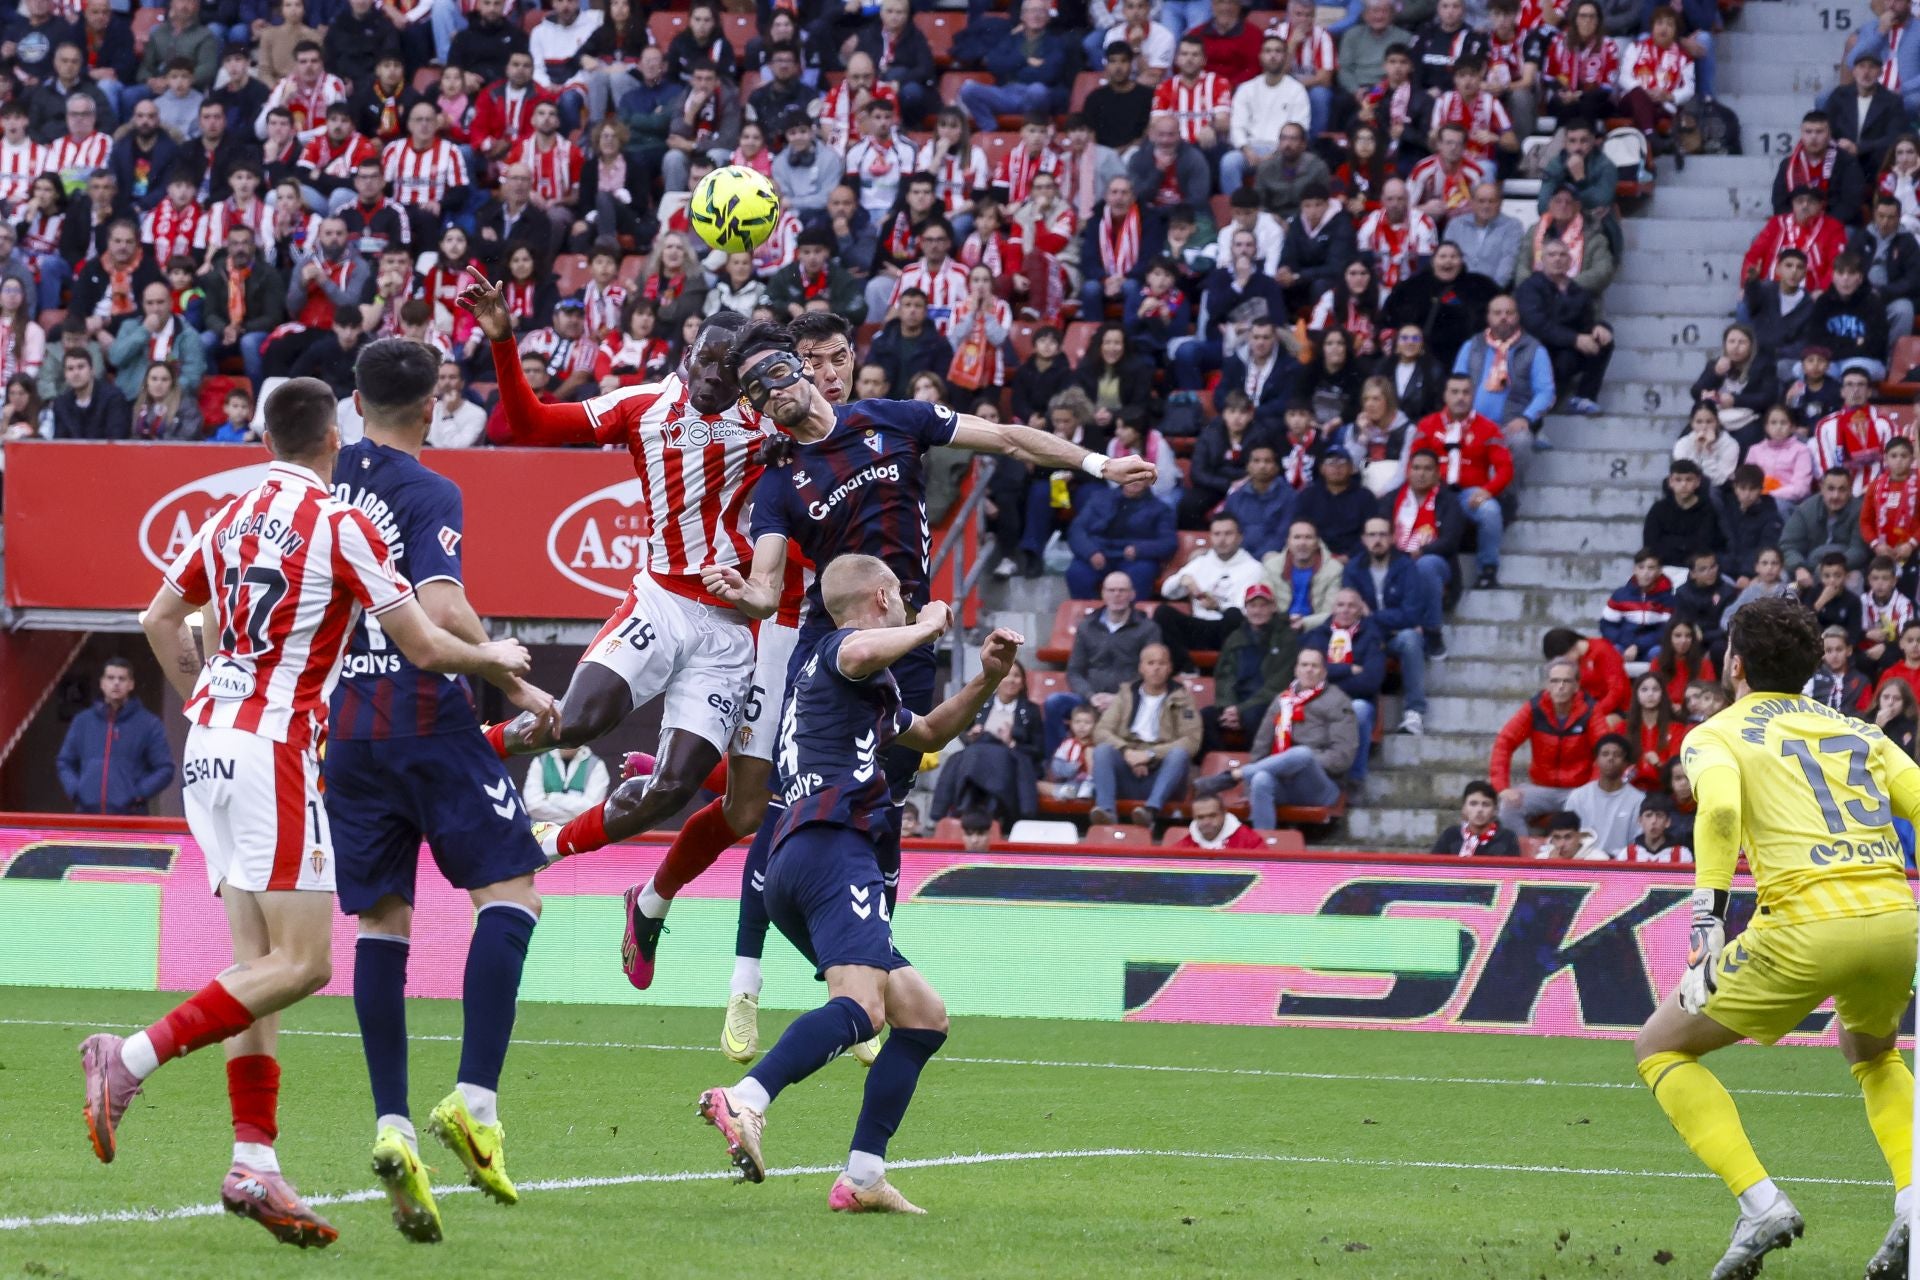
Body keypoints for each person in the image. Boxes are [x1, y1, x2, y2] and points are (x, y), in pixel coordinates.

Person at [76, 377, 528, 1246]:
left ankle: (255, 1161)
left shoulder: (227, 516)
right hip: (273, 751)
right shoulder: (339, 522)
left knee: (257, 968)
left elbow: (159, 616)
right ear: (333, 440)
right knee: (305, 963)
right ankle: (127, 1057)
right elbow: (423, 644)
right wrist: (495, 657)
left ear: (264, 441)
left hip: (208, 746)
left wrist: (205, 695)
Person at [703, 322, 1154, 1055]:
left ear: (801, 369)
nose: (773, 391)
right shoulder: (780, 482)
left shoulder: (893, 419)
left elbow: (1006, 438)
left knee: (883, 813)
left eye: (778, 372)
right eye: (755, 389)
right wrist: (741, 592)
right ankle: (744, 987)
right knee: (793, 807)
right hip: (831, 648)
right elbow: (763, 588)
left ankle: (861, 982)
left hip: (907, 638)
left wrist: (1099, 464)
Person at [695, 554, 1024, 1215]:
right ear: (881, 598)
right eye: (899, 598)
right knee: (864, 1010)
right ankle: (746, 1099)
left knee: (923, 1017)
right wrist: (929, 626)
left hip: (799, 859)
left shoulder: (860, 687)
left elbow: (928, 732)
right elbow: (861, 646)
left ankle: (864, 1177)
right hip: (832, 850)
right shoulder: (840, 650)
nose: (906, 606)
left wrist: (987, 679)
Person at [318, 340, 559, 1242]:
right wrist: (511, 677)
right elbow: (443, 603)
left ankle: (393, 1124)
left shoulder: (319, 479)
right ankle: (475, 1103)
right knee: (513, 896)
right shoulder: (428, 490)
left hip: (345, 728)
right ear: (431, 409)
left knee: (382, 925)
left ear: (353, 403)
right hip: (423, 713)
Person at [1633, 596, 1920, 1279]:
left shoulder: (1716, 733)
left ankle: (1760, 1205)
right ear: (1810, 666)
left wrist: (1707, 917)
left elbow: (1720, 810)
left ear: (1734, 664)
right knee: (1873, 1050)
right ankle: (1913, 1205)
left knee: (1659, 1046)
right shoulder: (1861, 731)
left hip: (1803, 925)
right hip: (1893, 920)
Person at [1192, 647, 1356, 826]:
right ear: (1296, 670)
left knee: (1303, 753)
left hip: (1320, 786)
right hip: (1283, 782)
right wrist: (1254, 785)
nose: (1309, 670)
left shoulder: (1338, 701)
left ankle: (1234, 776)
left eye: (1314, 666)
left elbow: (1342, 758)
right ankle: (1262, 841)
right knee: (1261, 780)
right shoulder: (1282, 700)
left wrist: (1298, 761)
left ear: (1324, 672)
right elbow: (1261, 746)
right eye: (1304, 665)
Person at [1412, 373, 1513, 589]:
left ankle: (1487, 570)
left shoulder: (1488, 428)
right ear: (1445, 395)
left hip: (1469, 494)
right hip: (1434, 493)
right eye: (1455, 392)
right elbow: (1412, 463)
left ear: (1473, 395)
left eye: (1466, 392)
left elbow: (1505, 468)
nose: (1460, 397)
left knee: (1490, 511)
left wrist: (1488, 491)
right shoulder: (1427, 425)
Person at [1087, 642, 1202, 828]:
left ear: (1170, 668)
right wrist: (1127, 752)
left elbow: (1192, 741)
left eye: (1161, 663)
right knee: (1102, 751)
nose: (1156, 668)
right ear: (1141, 667)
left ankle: (1151, 812)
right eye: (1150, 663)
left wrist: (1150, 755)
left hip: (1163, 775)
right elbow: (1101, 731)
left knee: (1179, 754)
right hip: (1127, 769)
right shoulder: (1126, 694)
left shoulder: (1182, 698)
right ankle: (1106, 812)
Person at [1489, 658, 1602, 831]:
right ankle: (1523, 849)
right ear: (1547, 685)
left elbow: (1604, 750)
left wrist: (1593, 788)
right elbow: (1505, 741)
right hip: (1541, 787)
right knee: (1508, 807)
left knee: (1597, 808)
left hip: (1578, 789)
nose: (1560, 686)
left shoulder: (1590, 710)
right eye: (1555, 681)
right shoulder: (1535, 709)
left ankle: (1582, 849)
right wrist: (1502, 787)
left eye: (1566, 681)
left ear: (1576, 686)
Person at [55, 658, 174, 816]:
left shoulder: (149, 724)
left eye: (122, 678)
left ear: (131, 684)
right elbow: (64, 761)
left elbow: (165, 768)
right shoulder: (82, 722)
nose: (116, 683)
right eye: (111, 678)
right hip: (87, 816)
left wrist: (138, 794)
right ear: (102, 683)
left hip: (130, 817)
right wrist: (76, 790)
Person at [1154, 513, 1267, 672]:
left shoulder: (1254, 568)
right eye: (1217, 534)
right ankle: (1186, 669)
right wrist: (1182, 580)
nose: (1222, 539)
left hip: (1228, 628)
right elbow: (1167, 591)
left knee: (1233, 615)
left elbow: (1247, 612)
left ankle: (1227, 671)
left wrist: (1218, 606)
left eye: (1228, 534)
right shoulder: (1201, 562)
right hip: (1199, 626)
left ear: (1240, 537)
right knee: (1162, 612)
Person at [1782, 466, 1869, 586]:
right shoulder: (1805, 509)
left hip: (1845, 568)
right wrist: (1798, 567)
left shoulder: (1860, 510)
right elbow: (1789, 546)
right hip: (1808, 568)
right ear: (1821, 488)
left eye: (1842, 490)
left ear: (1850, 490)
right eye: (1831, 489)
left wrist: (1830, 569)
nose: (1835, 496)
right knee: (1782, 576)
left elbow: (1859, 550)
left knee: (1855, 580)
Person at [1561, 734, 1641, 857]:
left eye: (1617, 755)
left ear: (1626, 763)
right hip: (1583, 861)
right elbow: (1566, 835)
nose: (1610, 758)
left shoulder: (1638, 800)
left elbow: (1637, 842)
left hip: (1620, 864)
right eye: (1605, 754)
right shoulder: (1578, 796)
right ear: (1596, 760)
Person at [1600, 548, 1675, 663]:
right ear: (1634, 570)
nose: (1645, 573)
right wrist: (1629, 644)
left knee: (1660, 653)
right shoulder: (1620, 595)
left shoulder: (1668, 599)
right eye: (1641, 567)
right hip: (1624, 645)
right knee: (1610, 651)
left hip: (1652, 646)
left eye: (1651, 568)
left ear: (1659, 571)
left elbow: (1666, 630)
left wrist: (1638, 645)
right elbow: (1607, 626)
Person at [1430, 780, 1520, 856]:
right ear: (1464, 808)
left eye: (1486, 804)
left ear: (1495, 810)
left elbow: (1512, 870)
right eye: (1473, 804)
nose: (1479, 810)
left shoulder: (1507, 838)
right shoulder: (1451, 835)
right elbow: (1432, 866)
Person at [1176, 792, 1266, 850]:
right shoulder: (1185, 845)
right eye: (1200, 817)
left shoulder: (1250, 841)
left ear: (1224, 813)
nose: (1206, 822)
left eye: (1212, 815)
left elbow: (1266, 868)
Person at [1622, 793, 1692, 864]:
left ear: (1667, 822)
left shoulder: (1682, 855)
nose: (1654, 821)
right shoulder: (1626, 855)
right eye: (1648, 815)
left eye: (1659, 815)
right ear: (1640, 821)